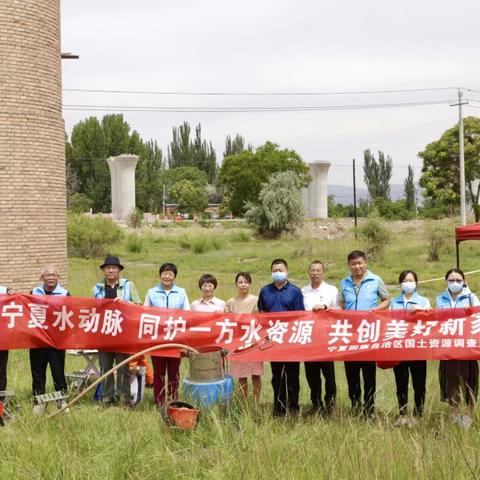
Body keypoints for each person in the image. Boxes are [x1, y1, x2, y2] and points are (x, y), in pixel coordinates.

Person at [338, 250, 390, 418]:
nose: (357, 266)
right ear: (349, 265)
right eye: (353, 264)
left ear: (365, 262)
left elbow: (387, 300)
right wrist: (330, 311)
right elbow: (341, 304)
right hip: (349, 336)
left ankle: (369, 410)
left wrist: (376, 309)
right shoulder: (344, 282)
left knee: (368, 375)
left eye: (360, 263)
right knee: (351, 375)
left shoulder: (376, 280)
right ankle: (355, 406)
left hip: (368, 335)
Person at [258, 259, 305, 416]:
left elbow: (300, 315)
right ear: (271, 272)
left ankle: (293, 407)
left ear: (287, 271)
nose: (278, 272)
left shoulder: (295, 291)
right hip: (273, 341)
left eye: (281, 269)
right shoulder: (265, 291)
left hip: (291, 341)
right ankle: (278, 407)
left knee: (292, 375)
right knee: (276, 376)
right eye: (275, 270)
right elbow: (262, 314)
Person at [93, 255, 141, 407]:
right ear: (103, 271)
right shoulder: (97, 288)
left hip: (123, 334)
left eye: (114, 268)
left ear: (119, 270)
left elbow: (139, 306)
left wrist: (124, 303)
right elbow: (92, 309)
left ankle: (124, 399)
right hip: (104, 334)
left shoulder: (128, 285)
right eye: (108, 268)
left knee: (123, 368)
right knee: (105, 368)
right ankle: (107, 398)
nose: (111, 270)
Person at [437, 268, 479, 429]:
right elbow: (437, 320)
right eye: (451, 280)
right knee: (452, 379)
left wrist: (471, 311)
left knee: (470, 379)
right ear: (446, 281)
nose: (455, 283)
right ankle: (454, 414)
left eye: (458, 280)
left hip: (467, 345)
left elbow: (478, 319)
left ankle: (468, 415)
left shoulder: (471, 297)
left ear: (463, 281)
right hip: (449, 346)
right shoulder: (440, 298)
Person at [144, 263, 190, 406]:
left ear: (174, 277)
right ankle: (159, 401)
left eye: (170, 274)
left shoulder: (181, 292)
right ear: (160, 275)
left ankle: (173, 400)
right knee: (158, 372)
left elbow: (187, 314)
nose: (167, 276)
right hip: (157, 339)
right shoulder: (152, 292)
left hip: (175, 339)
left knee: (173, 371)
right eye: (164, 273)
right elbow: (145, 313)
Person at [390, 270, 431, 426]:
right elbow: (389, 322)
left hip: (418, 349)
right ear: (401, 283)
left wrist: (419, 310)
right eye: (405, 281)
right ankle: (403, 414)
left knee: (419, 384)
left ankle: (418, 415)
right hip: (399, 348)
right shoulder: (394, 302)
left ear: (416, 283)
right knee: (401, 383)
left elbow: (430, 320)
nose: (408, 283)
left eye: (411, 280)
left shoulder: (424, 301)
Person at [30, 266, 69, 414]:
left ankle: (62, 400)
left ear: (57, 277)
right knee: (37, 372)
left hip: (56, 342)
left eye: (54, 275)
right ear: (42, 278)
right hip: (37, 341)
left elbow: (70, 314)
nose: (51, 277)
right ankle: (39, 401)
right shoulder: (34, 293)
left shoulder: (65, 294)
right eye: (48, 275)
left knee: (58, 372)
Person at [301, 260, 338, 414]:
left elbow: (338, 310)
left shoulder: (332, 290)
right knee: (311, 375)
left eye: (318, 270)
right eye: (313, 270)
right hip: (309, 339)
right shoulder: (303, 291)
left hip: (326, 339)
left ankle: (330, 403)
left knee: (329, 374)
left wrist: (325, 308)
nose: (315, 273)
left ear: (324, 272)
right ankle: (316, 403)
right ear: (309, 272)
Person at [225, 272, 263, 402]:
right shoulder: (230, 302)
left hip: (253, 342)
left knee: (255, 374)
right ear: (236, 284)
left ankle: (256, 402)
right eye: (240, 282)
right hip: (238, 343)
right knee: (241, 375)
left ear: (250, 284)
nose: (243, 285)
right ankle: (244, 402)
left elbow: (261, 319)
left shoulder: (257, 300)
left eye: (246, 282)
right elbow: (225, 320)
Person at [0, 285, 13, 401]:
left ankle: (1, 402)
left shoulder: (5, 291)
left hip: (1, 340)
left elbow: (18, 305)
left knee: (1, 372)